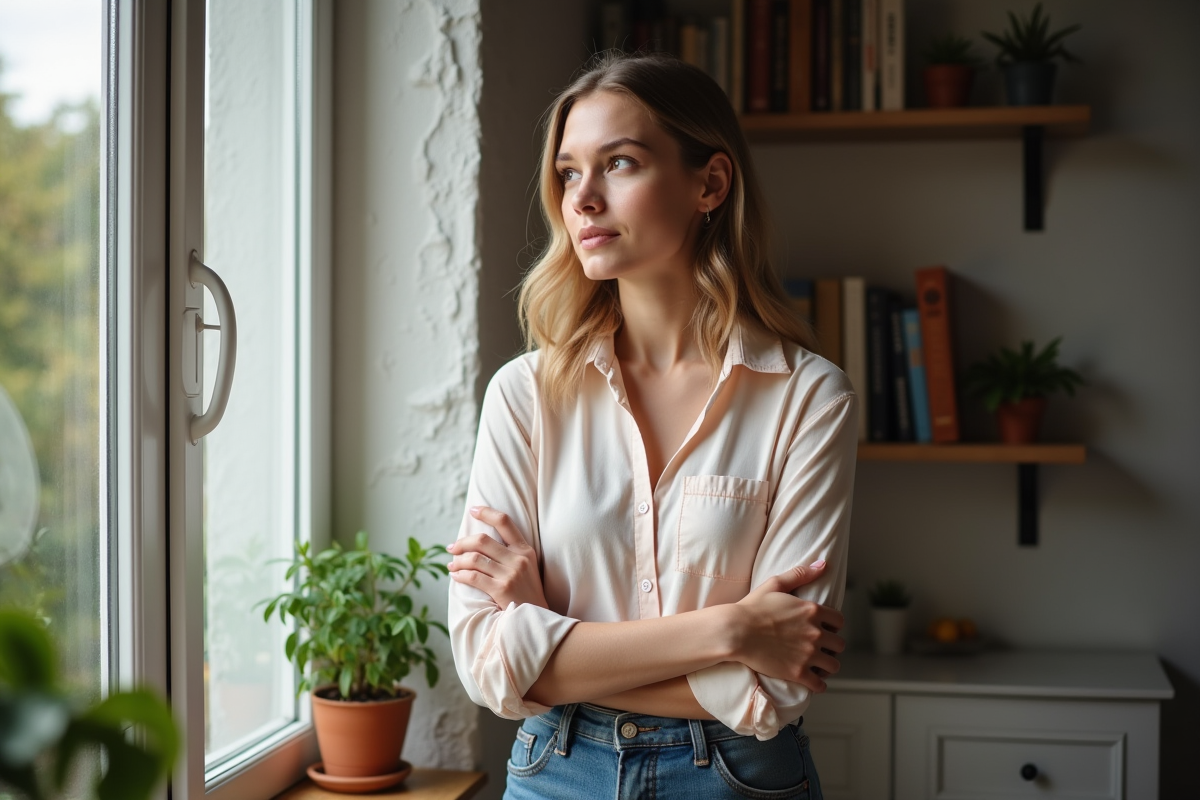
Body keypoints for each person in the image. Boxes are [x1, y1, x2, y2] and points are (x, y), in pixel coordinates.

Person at [447, 51, 858, 800]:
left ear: (711, 183)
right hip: (554, 775)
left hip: (741, 779)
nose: (584, 200)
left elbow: (777, 689)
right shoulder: (523, 396)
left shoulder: (809, 399)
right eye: (569, 173)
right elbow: (486, 661)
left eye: (620, 164)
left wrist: (548, 639)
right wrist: (730, 631)